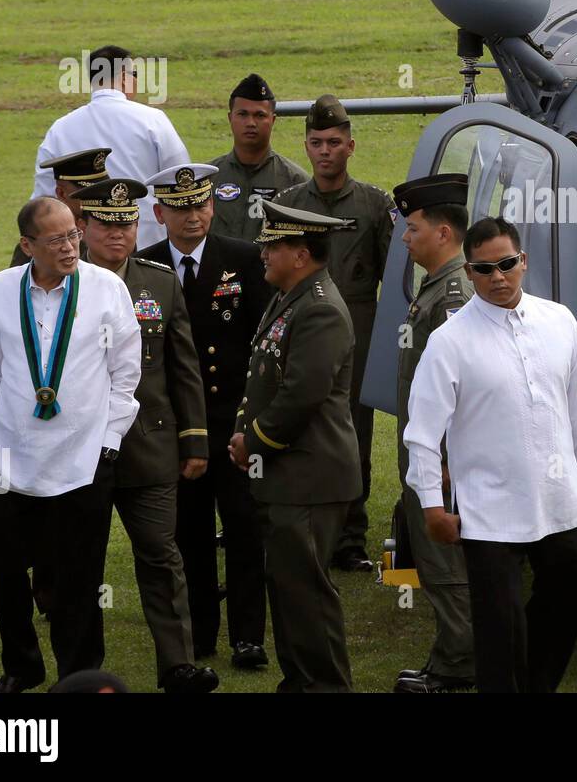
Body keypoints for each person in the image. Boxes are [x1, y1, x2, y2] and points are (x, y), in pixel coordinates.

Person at [404, 216, 577, 695]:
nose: (498, 277)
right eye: (485, 269)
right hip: (489, 511)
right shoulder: (449, 341)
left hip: (561, 501)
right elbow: (422, 433)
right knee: (499, 628)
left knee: (570, 594)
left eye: (507, 265)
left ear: (524, 261)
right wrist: (432, 506)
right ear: (469, 273)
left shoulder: (559, 321)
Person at [0, 197, 141, 692]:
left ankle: (80, 673)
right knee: (2, 565)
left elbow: (125, 371)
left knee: (79, 576)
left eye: (73, 234)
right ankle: (20, 668)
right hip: (9, 458)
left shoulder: (106, 288)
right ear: (27, 245)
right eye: (56, 239)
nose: (70, 246)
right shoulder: (0, 290)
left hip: (83, 458)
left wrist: (109, 440)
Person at [76, 177, 218, 693]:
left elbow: (184, 367)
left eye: (127, 222)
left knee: (161, 555)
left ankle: (177, 665)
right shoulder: (61, 283)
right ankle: (83, 668)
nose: (119, 233)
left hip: (149, 443)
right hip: (80, 450)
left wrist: (196, 439)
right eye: (107, 224)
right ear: (83, 227)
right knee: (81, 562)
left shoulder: (158, 281)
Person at [140, 163, 272, 670]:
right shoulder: (145, 267)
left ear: (212, 207)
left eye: (199, 204)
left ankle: (248, 636)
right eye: (179, 207)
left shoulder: (243, 259)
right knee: (187, 535)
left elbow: (263, 344)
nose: (191, 216)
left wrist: (250, 423)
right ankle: (199, 633)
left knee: (244, 530)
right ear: (159, 213)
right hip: (175, 427)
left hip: (234, 422)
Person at [228, 200, 363, 693]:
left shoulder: (320, 308)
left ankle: (324, 686)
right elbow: (265, 377)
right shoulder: (292, 296)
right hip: (289, 475)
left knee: (306, 591)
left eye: (272, 245)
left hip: (309, 476)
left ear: (300, 254)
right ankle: (300, 682)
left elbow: (301, 393)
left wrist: (253, 441)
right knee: (288, 588)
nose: (262, 253)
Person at [277, 94, 394, 572]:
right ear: (305, 147)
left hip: (358, 332)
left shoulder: (373, 204)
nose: (325, 150)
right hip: (300, 330)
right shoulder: (286, 206)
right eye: (316, 142)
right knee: (300, 430)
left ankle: (350, 538)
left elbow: (394, 276)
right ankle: (303, 532)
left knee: (352, 435)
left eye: (334, 142)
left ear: (351, 146)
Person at [390, 173, 475, 694]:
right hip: (433, 460)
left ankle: (458, 665)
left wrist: (441, 461)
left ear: (443, 233)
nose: (405, 237)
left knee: (448, 564)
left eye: (413, 227)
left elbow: (459, 384)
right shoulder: (439, 287)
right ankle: (452, 654)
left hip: (442, 466)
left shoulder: (453, 295)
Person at [32, 45, 188, 249]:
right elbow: (181, 181)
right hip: (148, 245)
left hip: (83, 250)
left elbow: (44, 201)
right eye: (135, 74)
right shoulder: (152, 120)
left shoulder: (60, 128)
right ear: (124, 77)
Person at [208, 74, 308, 243]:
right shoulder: (208, 178)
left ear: (273, 120)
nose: (251, 123)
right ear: (230, 118)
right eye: (242, 114)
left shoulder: (295, 182)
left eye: (260, 115)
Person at [11, 147, 110, 268]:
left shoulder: (113, 231)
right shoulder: (38, 242)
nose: (100, 198)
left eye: (102, 192)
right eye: (89, 194)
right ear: (61, 193)